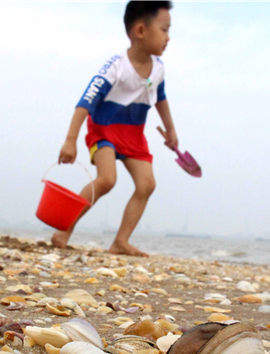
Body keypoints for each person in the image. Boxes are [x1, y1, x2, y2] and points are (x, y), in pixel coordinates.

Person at [52, 1, 177, 257]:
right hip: (104, 130)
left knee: (147, 184)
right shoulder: (115, 66)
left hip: (133, 134)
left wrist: (171, 132)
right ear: (140, 31)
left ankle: (121, 241)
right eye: (164, 30)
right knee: (107, 179)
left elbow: (161, 99)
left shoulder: (159, 69)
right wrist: (70, 141)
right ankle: (65, 229)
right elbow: (85, 102)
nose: (168, 37)